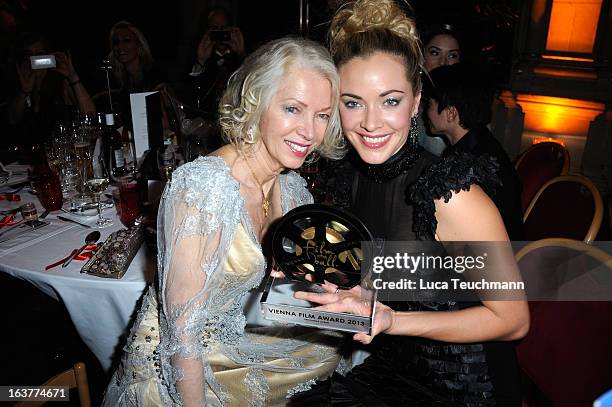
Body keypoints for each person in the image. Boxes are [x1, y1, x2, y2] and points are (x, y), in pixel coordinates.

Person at [289, 0, 529, 406]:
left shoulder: (451, 195)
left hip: (466, 388)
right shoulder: (352, 178)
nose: (370, 122)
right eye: (352, 102)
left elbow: (513, 321)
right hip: (396, 368)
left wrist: (393, 319)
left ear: (416, 101)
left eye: (390, 100)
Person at [103, 36, 346, 407]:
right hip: (176, 361)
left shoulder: (292, 189)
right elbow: (181, 333)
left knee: (335, 354)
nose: (310, 132)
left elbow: (298, 282)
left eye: (322, 115)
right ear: (256, 102)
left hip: (231, 337)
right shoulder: (204, 188)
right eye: (293, 109)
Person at [425, 63, 523, 240]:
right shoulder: (480, 143)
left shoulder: (469, 164)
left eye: (430, 104)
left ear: (451, 113)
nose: (425, 111)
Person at [7, 31, 95, 148]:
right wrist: (24, 91)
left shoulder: (60, 82)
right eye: (29, 56)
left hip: (62, 155)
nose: (34, 60)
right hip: (30, 159)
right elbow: (12, 119)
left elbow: (90, 115)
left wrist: (72, 76)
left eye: (39, 54)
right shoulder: (20, 85)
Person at [415, 23, 463, 157]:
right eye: (435, 53)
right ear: (421, 56)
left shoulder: (466, 105)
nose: (443, 62)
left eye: (452, 55)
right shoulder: (403, 93)